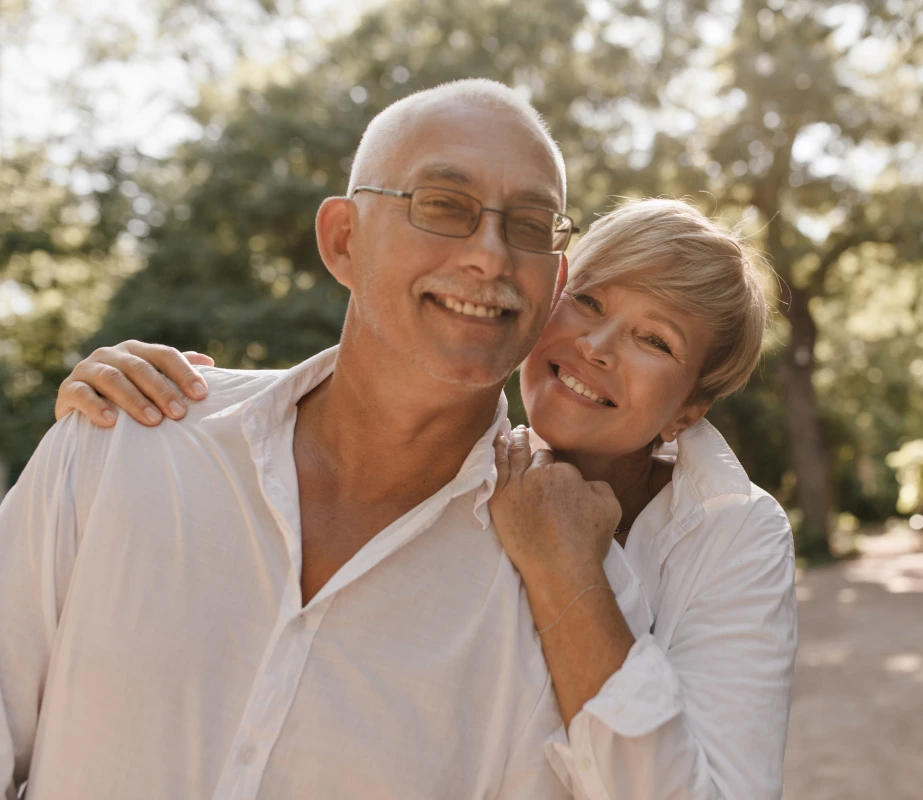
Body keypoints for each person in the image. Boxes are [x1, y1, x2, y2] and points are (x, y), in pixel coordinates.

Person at [25, 85, 797, 799]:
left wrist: (568, 574)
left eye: (654, 341)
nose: (489, 256)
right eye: (442, 205)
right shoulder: (126, 442)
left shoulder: (610, 582)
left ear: (689, 411)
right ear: (343, 241)